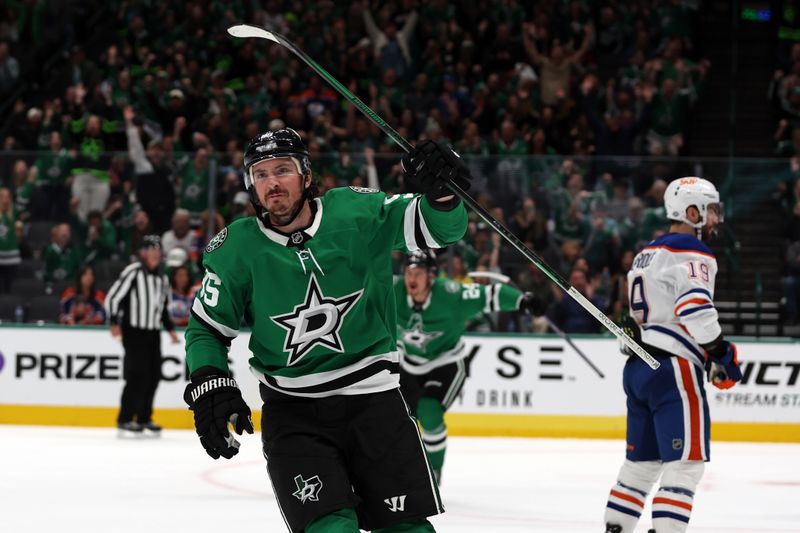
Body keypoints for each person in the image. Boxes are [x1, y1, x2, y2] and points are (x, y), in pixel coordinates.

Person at [183, 128, 470, 533]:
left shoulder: (357, 213)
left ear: (305, 175)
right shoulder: (236, 250)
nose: (272, 183)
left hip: (376, 404)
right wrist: (210, 381)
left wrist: (442, 193)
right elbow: (205, 330)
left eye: (282, 170)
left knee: (409, 530)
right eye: (260, 174)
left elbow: (443, 229)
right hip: (294, 415)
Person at [603, 177, 742, 533]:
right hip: (673, 370)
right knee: (686, 465)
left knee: (641, 465)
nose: (714, 219)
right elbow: (694, 308)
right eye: (710, 211)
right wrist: (720, 352)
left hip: (638, 369)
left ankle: (615, 529)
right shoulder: (692, 250)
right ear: (691, 211)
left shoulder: (645, 253)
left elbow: (640, 320)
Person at [395, 250, 537, 483]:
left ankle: (433, 473)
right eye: (409, 272)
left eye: (419, 273)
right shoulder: (392, 290)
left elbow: (492, 293)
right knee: (393, 419)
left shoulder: (451, 295)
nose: (412, 278)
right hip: (407, 362)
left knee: (429, 412)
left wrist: (522, 301)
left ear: (431, 276)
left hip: (446, 362)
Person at [105, 235, 179, 436]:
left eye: (157, 251)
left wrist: (171, 330)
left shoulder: (162, 279)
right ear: (143, 253)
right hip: (133, 331)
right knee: (137, 374)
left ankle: (144, 417)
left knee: (154, 375)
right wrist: (113, 322)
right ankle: (125, 418)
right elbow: (113, 298)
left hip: (153, 332)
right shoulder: (133, 272)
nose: (154, 254)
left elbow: (163, 308)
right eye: (150, 250)